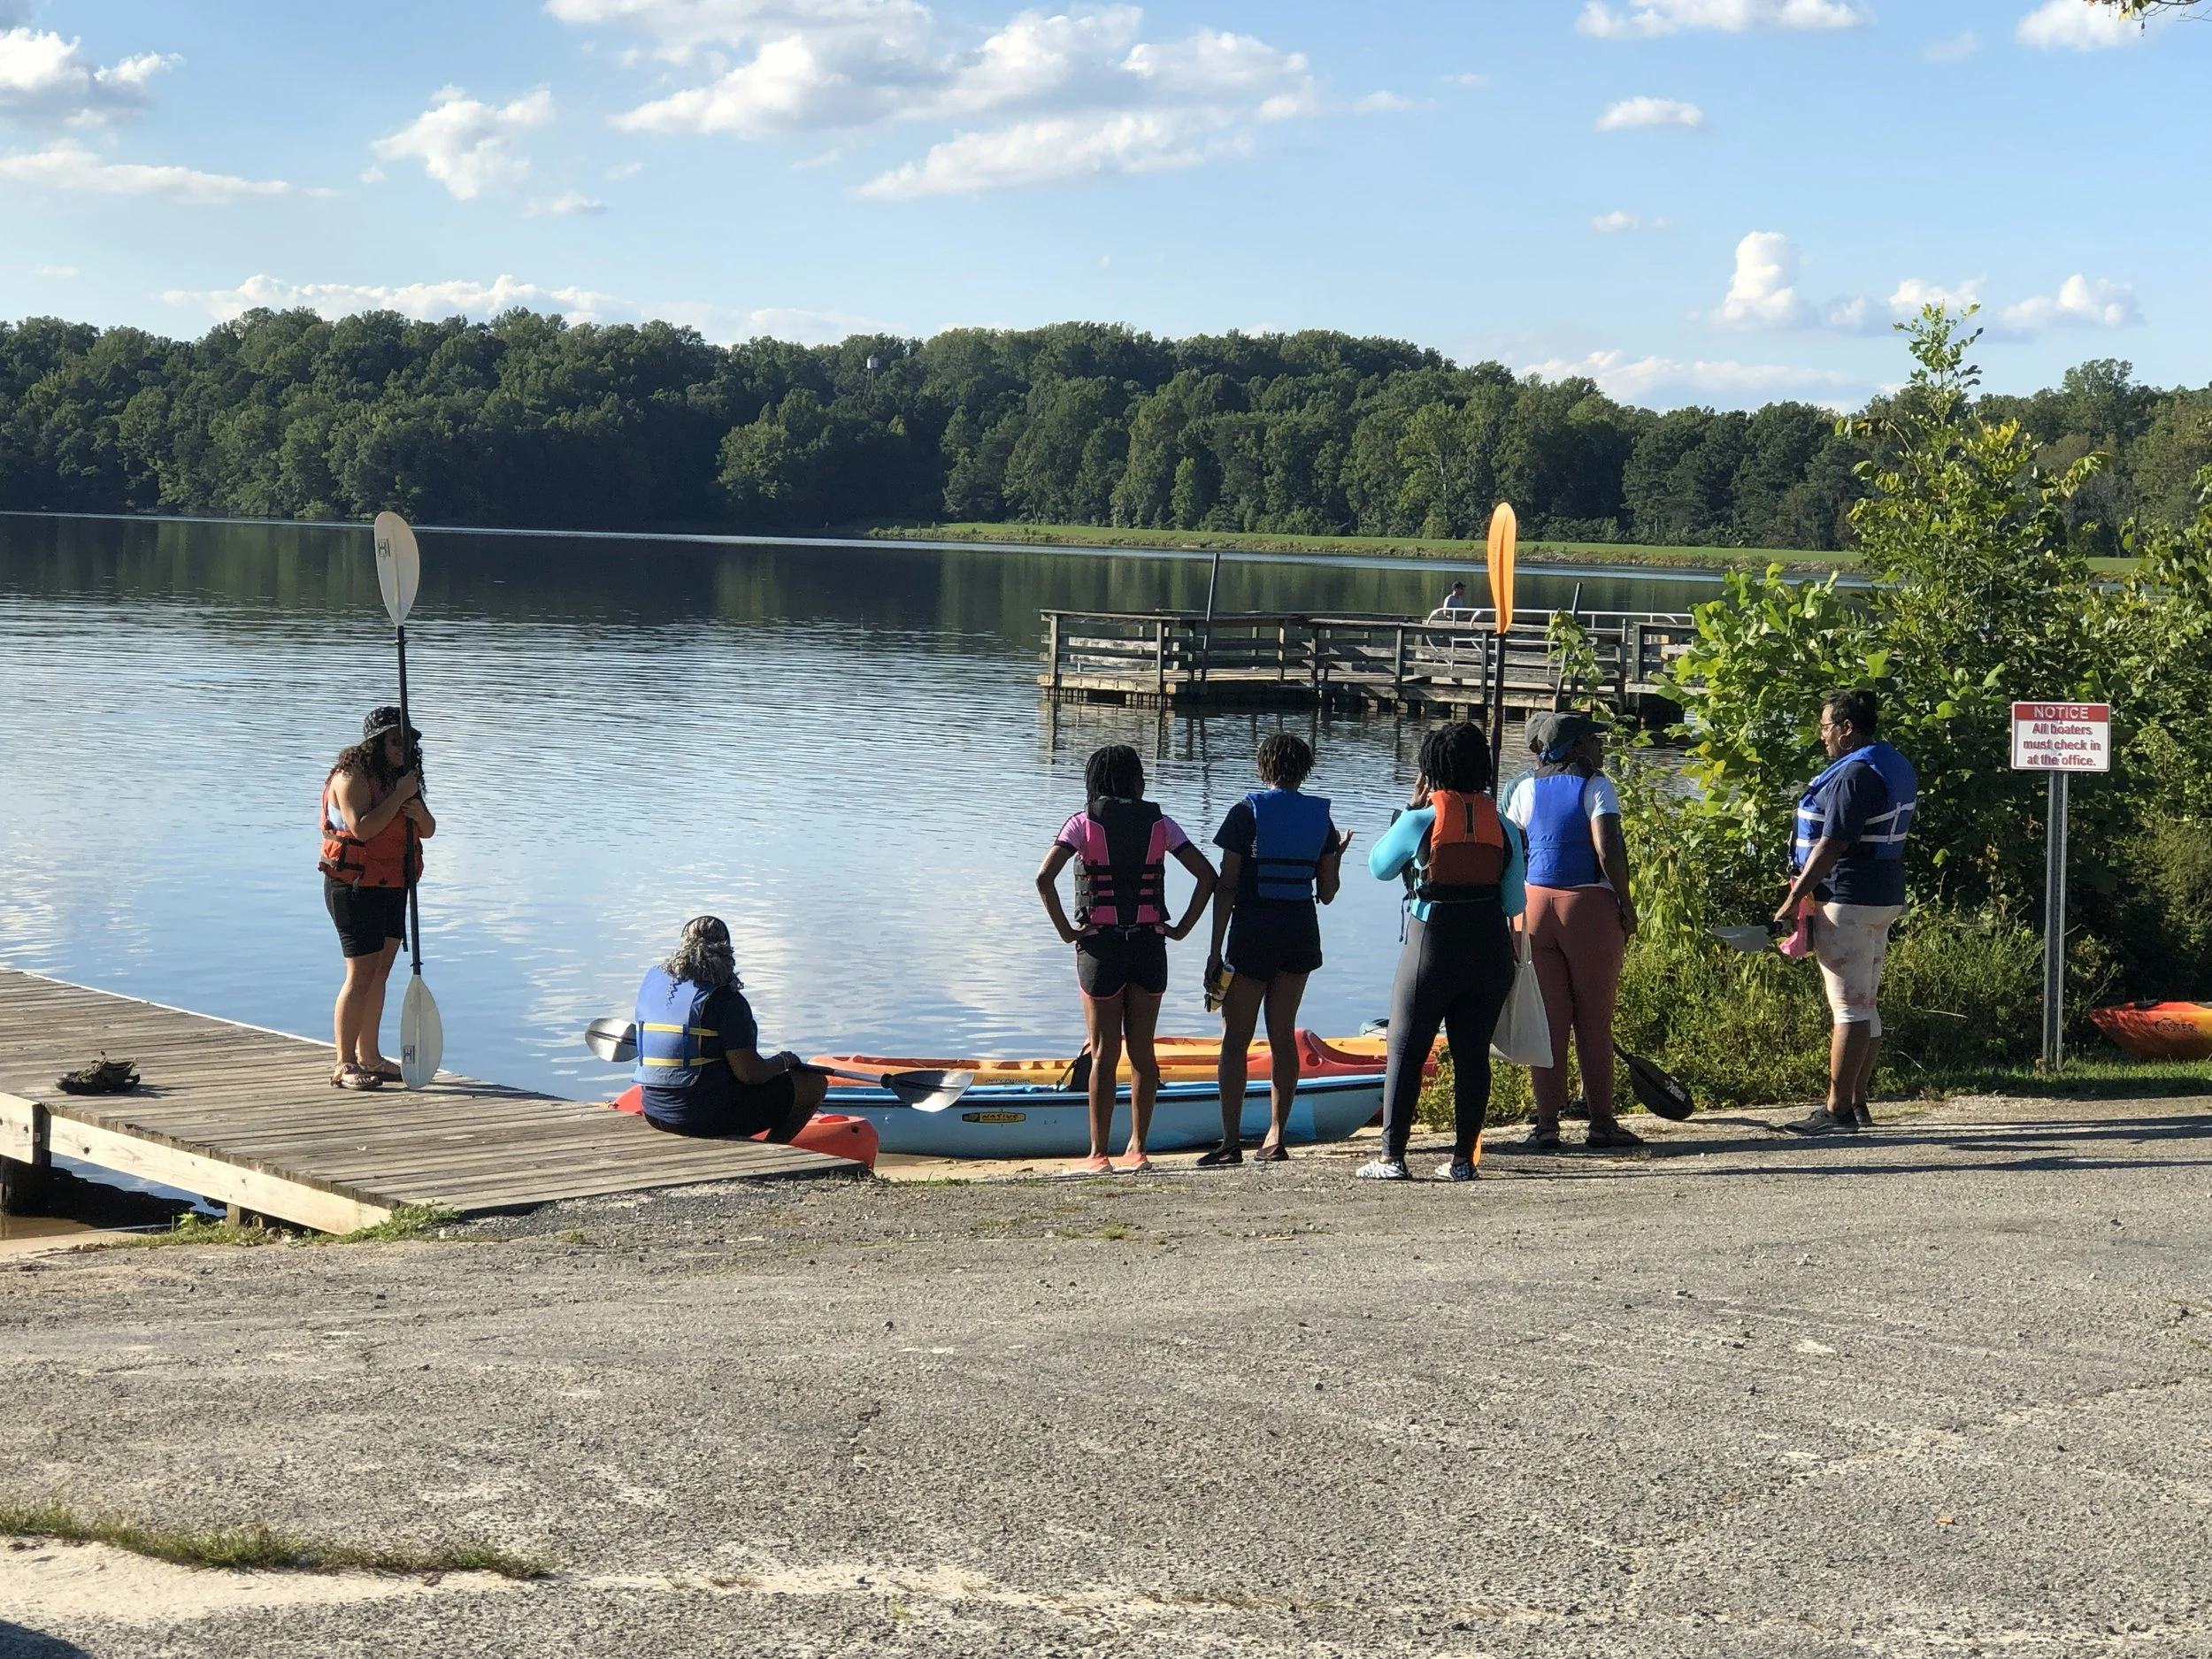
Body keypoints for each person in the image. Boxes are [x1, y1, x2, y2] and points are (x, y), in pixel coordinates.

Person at [1036, 745, 1217, 1174]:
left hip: (1101, 949)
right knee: (1142, 1051)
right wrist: (1181, 929)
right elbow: (1208, 876)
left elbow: (1044, 878)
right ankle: (1138, 1149)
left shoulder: (1081, 823)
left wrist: (1067, 932)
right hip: (1149, 947)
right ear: (1137, 780)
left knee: (1103, 1053)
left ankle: (1098, 1154)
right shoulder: (1162, 824)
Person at [1359, 722, 1527, 1180]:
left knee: (1406, 1047)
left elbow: (1378, 867)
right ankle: (1463, 1162)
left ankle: (1392, 1158)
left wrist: (1409, 810)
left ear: (1430, 770)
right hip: (1489, 950)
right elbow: (1515, 902)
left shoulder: (1420, 820)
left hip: (1430, 948)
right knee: (1472, 1056)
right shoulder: (1506, 828)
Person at [1201, 732, 1351, 1165]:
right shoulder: (1321, 820)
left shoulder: (1245, 812)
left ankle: (1230, 1142)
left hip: (1253, 930)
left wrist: (1214, 951)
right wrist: (1336, 856)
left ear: (1262, 766)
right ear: (1305, 770)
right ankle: (1276, 1137)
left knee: (1235, 1039)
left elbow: (1227, 886)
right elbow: (1327, 894)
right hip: (1299, 930)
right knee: (1282, 1034)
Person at [1774, 688, 1917, 1137]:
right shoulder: (1891, 762)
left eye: (1825, 727)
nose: (1822, 736)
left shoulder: (1854, 774)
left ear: (1847, 728)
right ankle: (1856, 1103)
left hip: (1848, 898)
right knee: (1865, 1003)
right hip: (1881, 895)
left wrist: (1795, 897)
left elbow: (1833, 842)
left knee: (1849, 1007)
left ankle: (1836, 1111)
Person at [1501, 710, 1643, 1152]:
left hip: (1532, 909)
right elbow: (1607, 848)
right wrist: (1626, 903)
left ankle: (1546, 1126)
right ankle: (1601, 1124)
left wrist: (1511, 911)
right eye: (1594, 740)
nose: (1601, 747)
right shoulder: (1596, 785)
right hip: (1587, 907)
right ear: (1577, 747)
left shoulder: (1523, 788)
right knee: (1594, 1022)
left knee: (1548, 1022)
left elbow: (1513, 853)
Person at [320, 706, 434, 1089]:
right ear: (376, 744)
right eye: (395, 741)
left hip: (392, 884)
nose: (404, 748)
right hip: (354, 886)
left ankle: (370, 1055)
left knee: (380, 972)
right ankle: (344, 1063)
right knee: (360, 975)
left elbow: (429, 829)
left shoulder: (402, 777)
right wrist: (400, 795)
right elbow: (363, 829)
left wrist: (417, 810)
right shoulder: (350, 776)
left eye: (408, 741)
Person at [631, 916, 824, 1141]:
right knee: (813, 1084)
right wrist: (784, 1061)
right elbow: (750, 1074)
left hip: (654, 1112)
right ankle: (772, 1147)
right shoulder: (726, 1000)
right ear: (727, 952)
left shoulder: (653, 990)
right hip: (700, 1118)